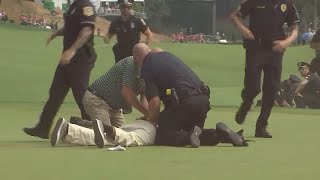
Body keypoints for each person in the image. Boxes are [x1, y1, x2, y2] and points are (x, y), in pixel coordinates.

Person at [132, 43, 248, 148]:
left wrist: (149, 119)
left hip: (185, 103)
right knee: (192, 132)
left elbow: (154, 103)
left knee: (162, 134)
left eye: (135, 60)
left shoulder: (147, 67)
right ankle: (220, 135)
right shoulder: (167, 56)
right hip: (203, 100)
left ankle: (189, 137)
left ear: (137, 57)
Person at [23, 0, 97, 139]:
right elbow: (71, 27)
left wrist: (72, 50)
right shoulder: (74, 6)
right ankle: (42, 128)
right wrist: (56, 33)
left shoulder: (86, 7)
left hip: (81, 59)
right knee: (55, 93)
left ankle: (94, 129)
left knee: (80, 94)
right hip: (67, 59)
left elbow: (87, 29)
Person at [230, 0, 299, 138]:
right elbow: (234, 16)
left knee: (272, 90)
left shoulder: (288, 4)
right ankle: (247, 103)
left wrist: (286, 42)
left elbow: (295, 28)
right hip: (256, 48)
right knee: (253, 87)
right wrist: (243, 29)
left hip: (275, 50)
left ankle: (261, 126)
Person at [71, 55, 148, 128]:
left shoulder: (148, 72)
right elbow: (127, 92)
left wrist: (148, 115)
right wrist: (147, 113)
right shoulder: (130, 63)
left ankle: (85, 124)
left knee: (122, 135)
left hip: (115, 108)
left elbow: (144, 98)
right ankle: (75, 126)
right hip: (97, 100)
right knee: (105, 134)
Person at [50, 117, 156, 148]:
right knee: (131, 138)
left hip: (144, 122)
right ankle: (107, 128)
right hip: (152, 130)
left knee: (102, 137)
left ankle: (67, 129)